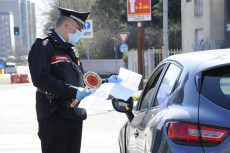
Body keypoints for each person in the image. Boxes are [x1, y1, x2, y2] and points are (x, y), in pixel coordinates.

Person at [28, 7, 121, 153]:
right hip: (54, 114)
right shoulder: (44, 45)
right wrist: (72, 92)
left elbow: (80, 82)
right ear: (66, 24)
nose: (80, 33)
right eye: (78, 28)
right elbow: (40, 79)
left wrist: (105, 82)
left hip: (73, 113)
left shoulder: (70, 50)